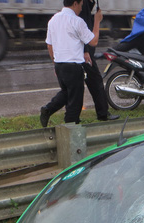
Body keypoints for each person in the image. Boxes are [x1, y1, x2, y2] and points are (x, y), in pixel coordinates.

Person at [40, 0, 103, 128]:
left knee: (66, 93)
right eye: (80, 5)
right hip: (73, 65)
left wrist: (55, 62)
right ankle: (71, 127)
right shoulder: (77, 21)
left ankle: (48, 109)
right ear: (75, 3)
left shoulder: (53, 19)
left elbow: (49, 44)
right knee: (75, 100)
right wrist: (97, 21)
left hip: (59, 64)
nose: (81, 8)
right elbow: (93, 41)